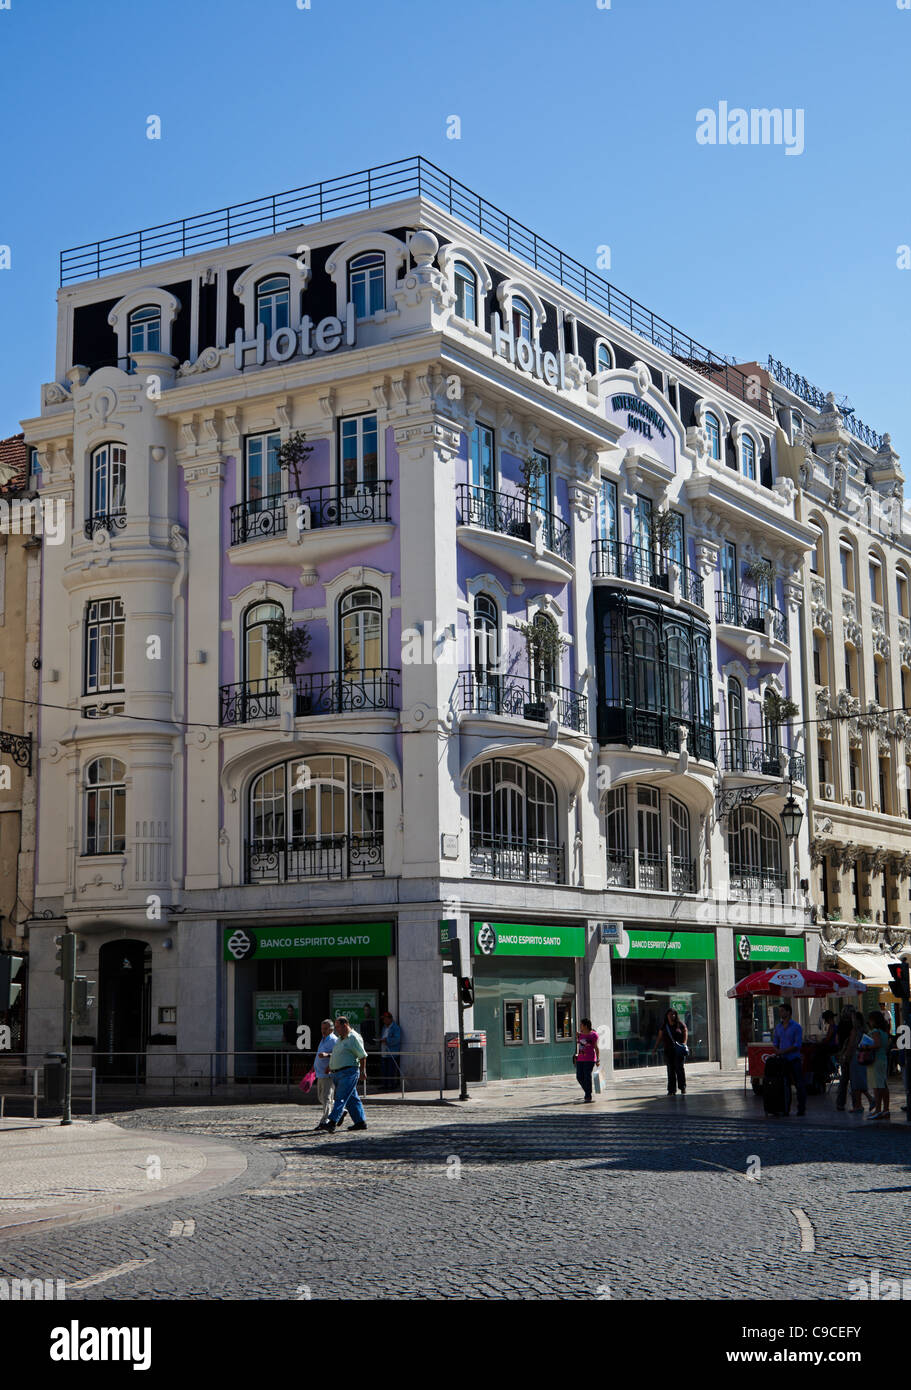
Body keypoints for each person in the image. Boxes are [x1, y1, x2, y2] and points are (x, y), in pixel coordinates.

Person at [318, 1016, 368, 1134]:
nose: (336, 1030)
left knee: (340, 1098)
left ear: (345, 1025)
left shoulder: (354, 1038)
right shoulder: (340, 1039)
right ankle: (360, 1122)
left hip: (349, 1072)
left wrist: (363, 1071)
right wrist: (330, 1066)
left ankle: (332, 1122)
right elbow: (337, 1054)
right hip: (338, 1073)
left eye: (337, 1027)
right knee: (352, 1098)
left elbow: (362, 1055)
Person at [771, 1002, 806, 1116]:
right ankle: (785, 1108)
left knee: (798, 1084)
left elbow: (797, 1045)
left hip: (794, 1059)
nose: (780, 1013)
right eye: (779, 1011)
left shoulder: (796, 1027)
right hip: (783, 1060)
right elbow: (775, 1041)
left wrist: (782, 1051)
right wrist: (776, 1050)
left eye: (782, 1011)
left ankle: (801, 1108)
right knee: (784, 1085)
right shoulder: (778, 1027)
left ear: (788, 1012)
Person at [846, 1008, 874, 1114]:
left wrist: (847, 1056)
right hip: (862, 1057)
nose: (851, 1020)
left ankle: (858, 1105)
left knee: (856, 1083)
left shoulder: (854, 1031)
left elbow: (851, 1045)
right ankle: (869, 1100)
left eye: (853, 1018)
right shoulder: (864, 1030)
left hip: (855, 1057)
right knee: (860, 1081)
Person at [866, 1010, 892, 1121]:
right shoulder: (884, 1032)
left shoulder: (875, 1031)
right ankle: (885, 1110)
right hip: (883, 1059)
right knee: (883, 1085)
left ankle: (878, 1110)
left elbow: (877, 1044)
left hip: (875, 1060)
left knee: (877, 1086)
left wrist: (866, 1047)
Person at [656, 1008, 688, 1096]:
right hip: (668, 1051)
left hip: (678, 1051)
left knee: (679, 1069)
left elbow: (685, 1031)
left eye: (674, 1014)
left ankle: (682, 1087)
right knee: (670, 1070)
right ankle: (671, 1090)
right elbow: (659, 1037)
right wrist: (655, 1048)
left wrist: (684, 1044)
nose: (672, 1016)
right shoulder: (664, 1026)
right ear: (667, 1016)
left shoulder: (679, 1024)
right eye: (670, 1014)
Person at [312, 1018, 337, 1130]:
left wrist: (327, 1055)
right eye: (322, 1028)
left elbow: (337, 1055)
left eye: (326, 1028)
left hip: (328, 1073)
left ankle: (325, 1121)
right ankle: (340, 1109)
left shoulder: (334, 1040)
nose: (323, 1030)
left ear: (331, 1029)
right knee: (321, 1097)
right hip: (320, 1073)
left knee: (326, 1099)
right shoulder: (323, 1039)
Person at [574, 1018, 600, 1101]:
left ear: (585, 1026)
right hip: (580, 1059)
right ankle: (588, 1091)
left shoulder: (593, 1035)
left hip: (589, 1059)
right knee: (579, 1076)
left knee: (587, 1076)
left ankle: (588, 1095)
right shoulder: (580, 1035)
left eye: (581, 1025)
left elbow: (596, 1048)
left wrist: (598, 1059)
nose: (580, 1026)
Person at [813, 1009, 838, 1091]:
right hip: (832, 1047)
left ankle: (825, 1072)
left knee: (817, 1055)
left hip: (831, 1048)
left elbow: (827, 1039)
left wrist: (820, 1041)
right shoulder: (834, 1026)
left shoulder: (832, 1027)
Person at [834, 1009, 854, 1110]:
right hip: (851, 1054)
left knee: (844, 1080)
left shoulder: (840, 1025)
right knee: (853, 1079)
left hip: (843, 1054)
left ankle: (840, 1103)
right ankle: (856, 1103)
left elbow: (837, 1039)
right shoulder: (853, 1025)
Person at [378, 1011, 402, 1090]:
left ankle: (392, 1085)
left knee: (391, 1070)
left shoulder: (395, 1028)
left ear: (390, 1019)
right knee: (384, 1070)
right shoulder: (384, 1027)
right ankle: (385, 1084)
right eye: (383, 1019)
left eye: (385, 1019)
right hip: (384, 1052)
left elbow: (397, 1039)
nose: (384, 1021)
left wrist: (387, 1040)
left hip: (392, 1052)